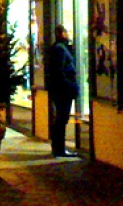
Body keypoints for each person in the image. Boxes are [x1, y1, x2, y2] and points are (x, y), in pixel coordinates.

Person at [46, 24, 80, 158]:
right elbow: (59, 71)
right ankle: (59, 149)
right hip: (63, 90)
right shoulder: (60, 49)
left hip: (60, 89)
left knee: (60, 119)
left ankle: (58, 148)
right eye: (67, 31)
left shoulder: (59, 48)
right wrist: (69, 85)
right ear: (63, 33)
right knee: (61, 119)